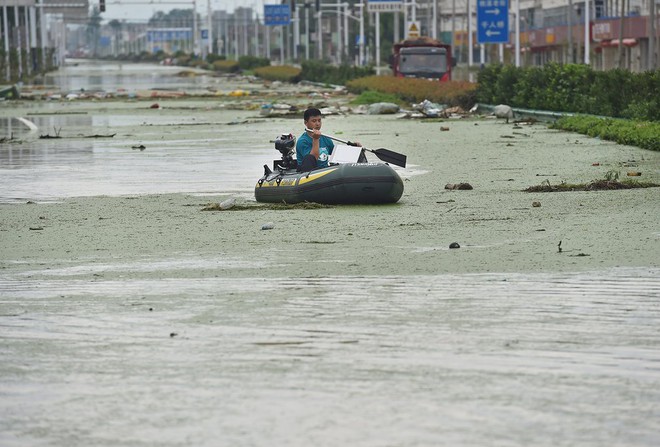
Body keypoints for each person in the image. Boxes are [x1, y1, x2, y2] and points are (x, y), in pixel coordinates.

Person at [296, 108, 335, 172]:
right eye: (314, 121)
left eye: (319, 120)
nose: (317, 124)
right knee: (309, 158)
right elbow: (313, 159)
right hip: (309, 173)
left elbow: (336, 154)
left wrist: (354, 148)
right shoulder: (302, 141)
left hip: (325, 171)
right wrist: (316, 139)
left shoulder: (326, 138)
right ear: (306, 123)